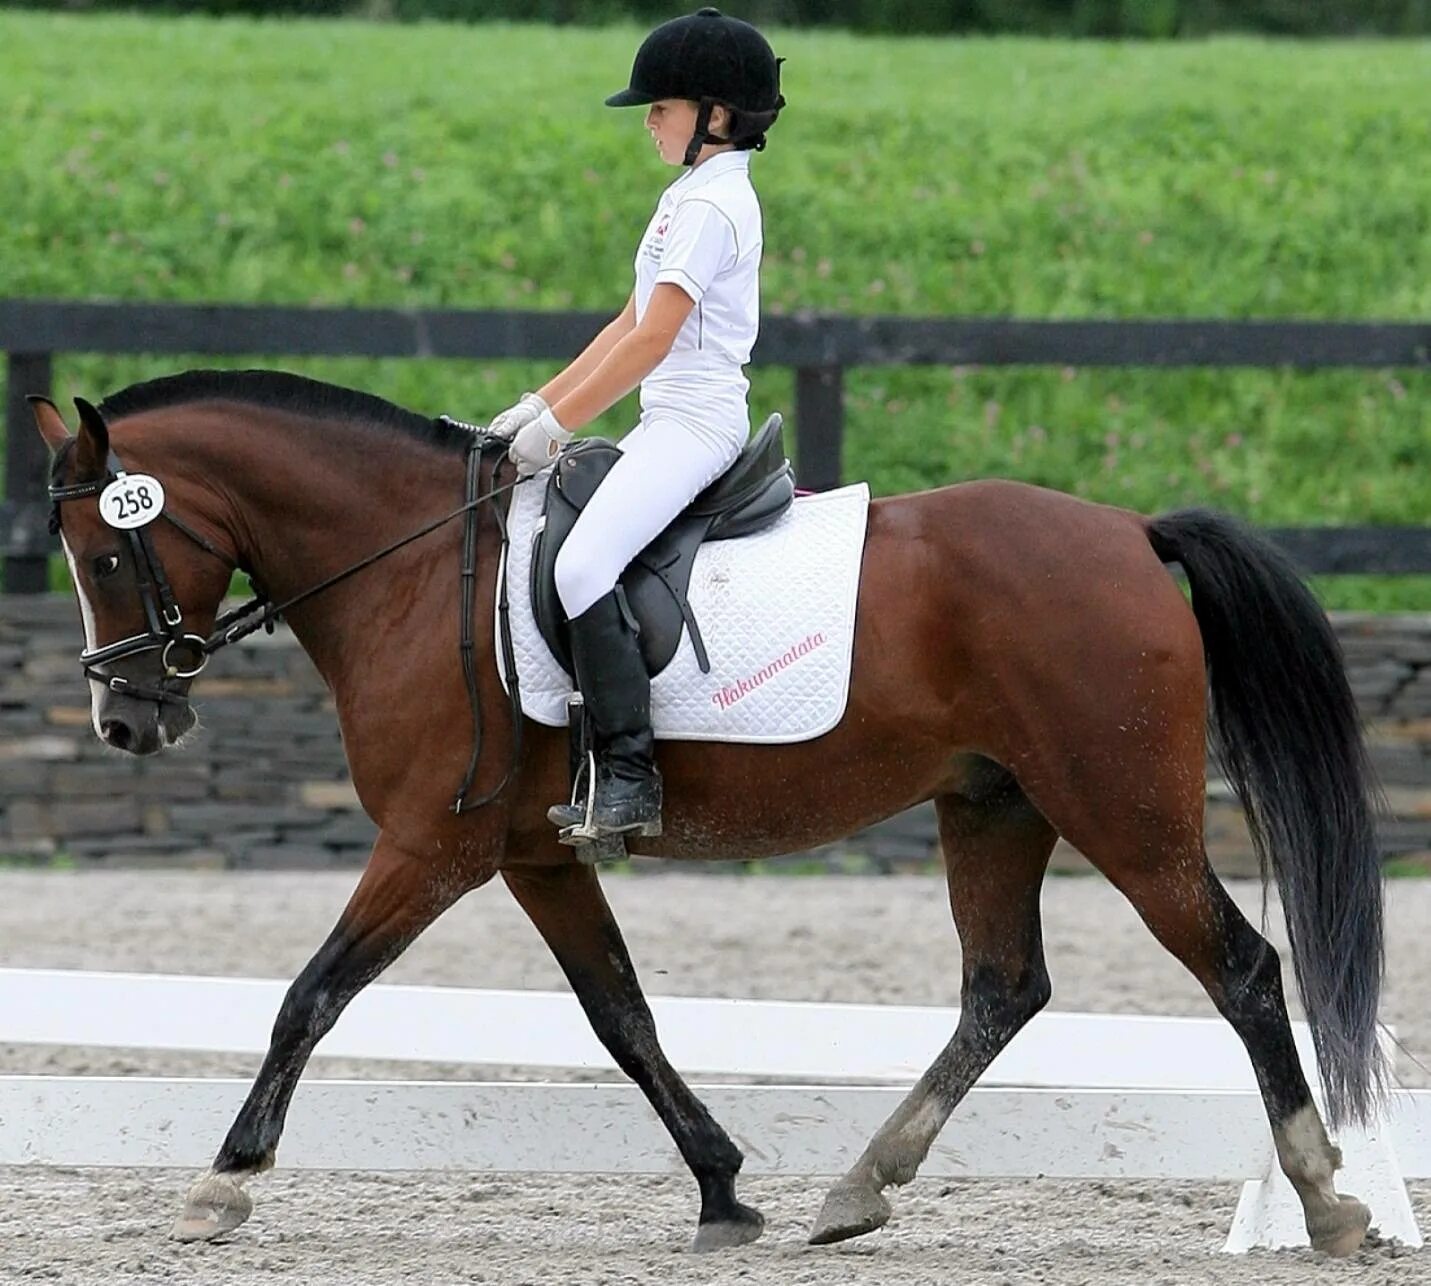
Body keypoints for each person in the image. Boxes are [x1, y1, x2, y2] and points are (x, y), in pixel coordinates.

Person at [486, 8, 785, 846]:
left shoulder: (711, 207)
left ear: (716, 117)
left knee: (582, 565)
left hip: (694, 421)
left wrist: (560, 423)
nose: (648, 120)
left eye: (662, 106)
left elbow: (655, 341)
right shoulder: (686, 195)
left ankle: (626, 776)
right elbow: (626, 321)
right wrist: (541, 408)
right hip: (669, 415)